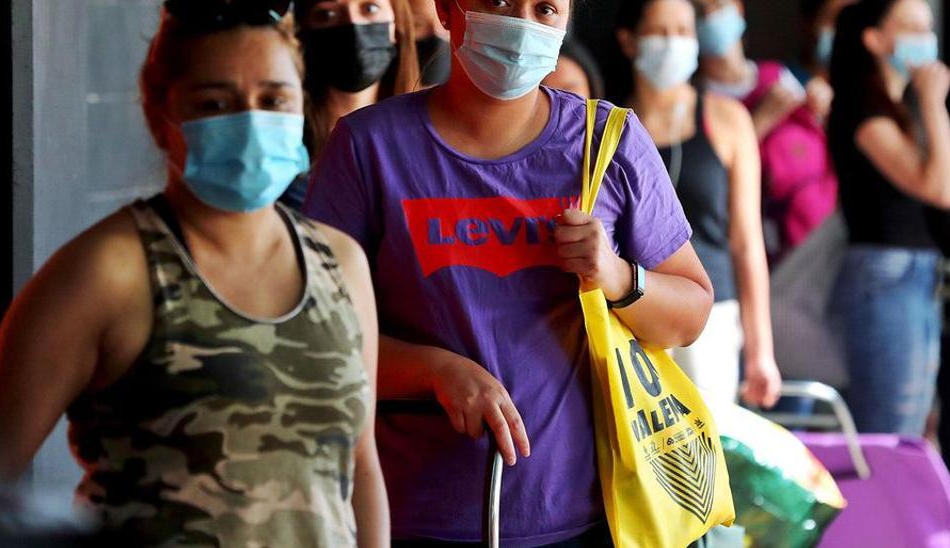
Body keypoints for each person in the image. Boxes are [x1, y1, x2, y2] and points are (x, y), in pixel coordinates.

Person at [0, 2, 390, 545]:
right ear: (160, 117)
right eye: (214, 102)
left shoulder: (340, 262)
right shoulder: (107, 271)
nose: (251, 119)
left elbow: (361, 467)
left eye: (273, 99)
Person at [303, 0, 715, 544]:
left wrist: (616, 276)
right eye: (499, 2)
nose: (522, 24)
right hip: (419, 515)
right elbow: (314, 341)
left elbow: (689, 315)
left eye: (545, 8)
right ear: (448, 10)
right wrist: (434, 371)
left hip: (593, 513)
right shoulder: (368, 147)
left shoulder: (608, 143)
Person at [616, 0, 782, 408]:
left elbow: (746, 242)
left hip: (711, 315)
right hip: (629, 308)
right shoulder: (607, 122)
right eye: (659, 31)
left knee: (709, 449)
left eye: (684, 31)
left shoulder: (727, 119)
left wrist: (761, 351)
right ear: (629, 40)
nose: (673, 43)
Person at [825, 0, 950, 435]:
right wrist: (934, 103)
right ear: (874, 39)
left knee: (914, 420)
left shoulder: (895, 106)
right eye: (911, 26)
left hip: (910, 272)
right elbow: (942, 189)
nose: (925, 38)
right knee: (889, 426)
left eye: (928, 27)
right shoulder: (864, 111)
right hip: (883, 276)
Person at [696, 0, 839, 254]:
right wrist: (760, 121)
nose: (709, 17)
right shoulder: (699, 102)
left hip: (825, 230)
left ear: (738, 9)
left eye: (716, 6)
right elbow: (706, 178)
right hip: (764, 245)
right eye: (698, 11)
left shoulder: (777, 75)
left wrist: (824, 109)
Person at [280, 0, 420, 209]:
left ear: (396, 27)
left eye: (370, 8)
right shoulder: (281, 144)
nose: (353, 23)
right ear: (304, 34)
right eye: (327, 14)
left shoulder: (429, 136)